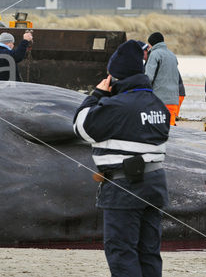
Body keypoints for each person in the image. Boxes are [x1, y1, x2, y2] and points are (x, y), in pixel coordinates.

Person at [73, 40, 169, 277]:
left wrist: (96, 94)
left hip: (125, 188)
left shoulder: (116, 106)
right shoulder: (158, 105)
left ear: (115, 76)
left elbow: (81, 127)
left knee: (121, 251)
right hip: (155, 184)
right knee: (148, 251)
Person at [145, 32, 180, 126]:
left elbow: (149, 77)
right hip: (173, 99)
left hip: (159, 100)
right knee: (171, 129)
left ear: (152, 43)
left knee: (158, 130)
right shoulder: (172, 55)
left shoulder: (154, 54)